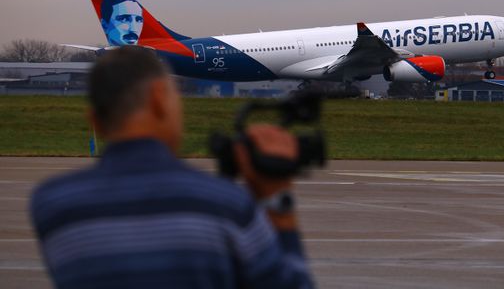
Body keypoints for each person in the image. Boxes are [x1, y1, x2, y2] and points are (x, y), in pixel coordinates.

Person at [30, 46, 314, 288]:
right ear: (158, 100)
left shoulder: (53, 205)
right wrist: (277, 199)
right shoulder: (225, 203)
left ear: (94, 120)